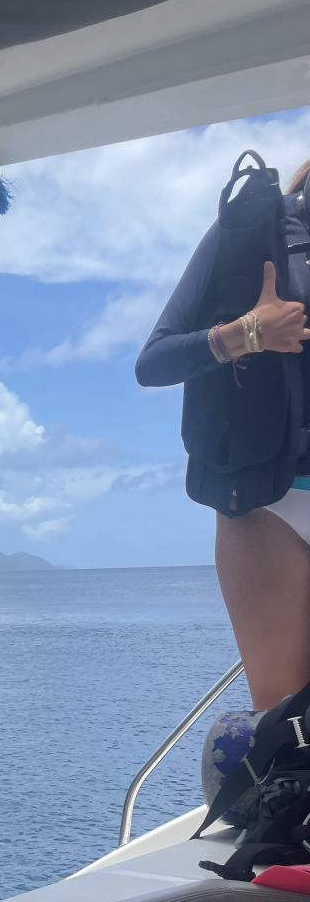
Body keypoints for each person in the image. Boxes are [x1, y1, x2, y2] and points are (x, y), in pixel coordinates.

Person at [136, 157, 310, 713]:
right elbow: (153, 362)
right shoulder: (251, 231)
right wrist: (247, 333)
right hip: (271, 505)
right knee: (284, 721)